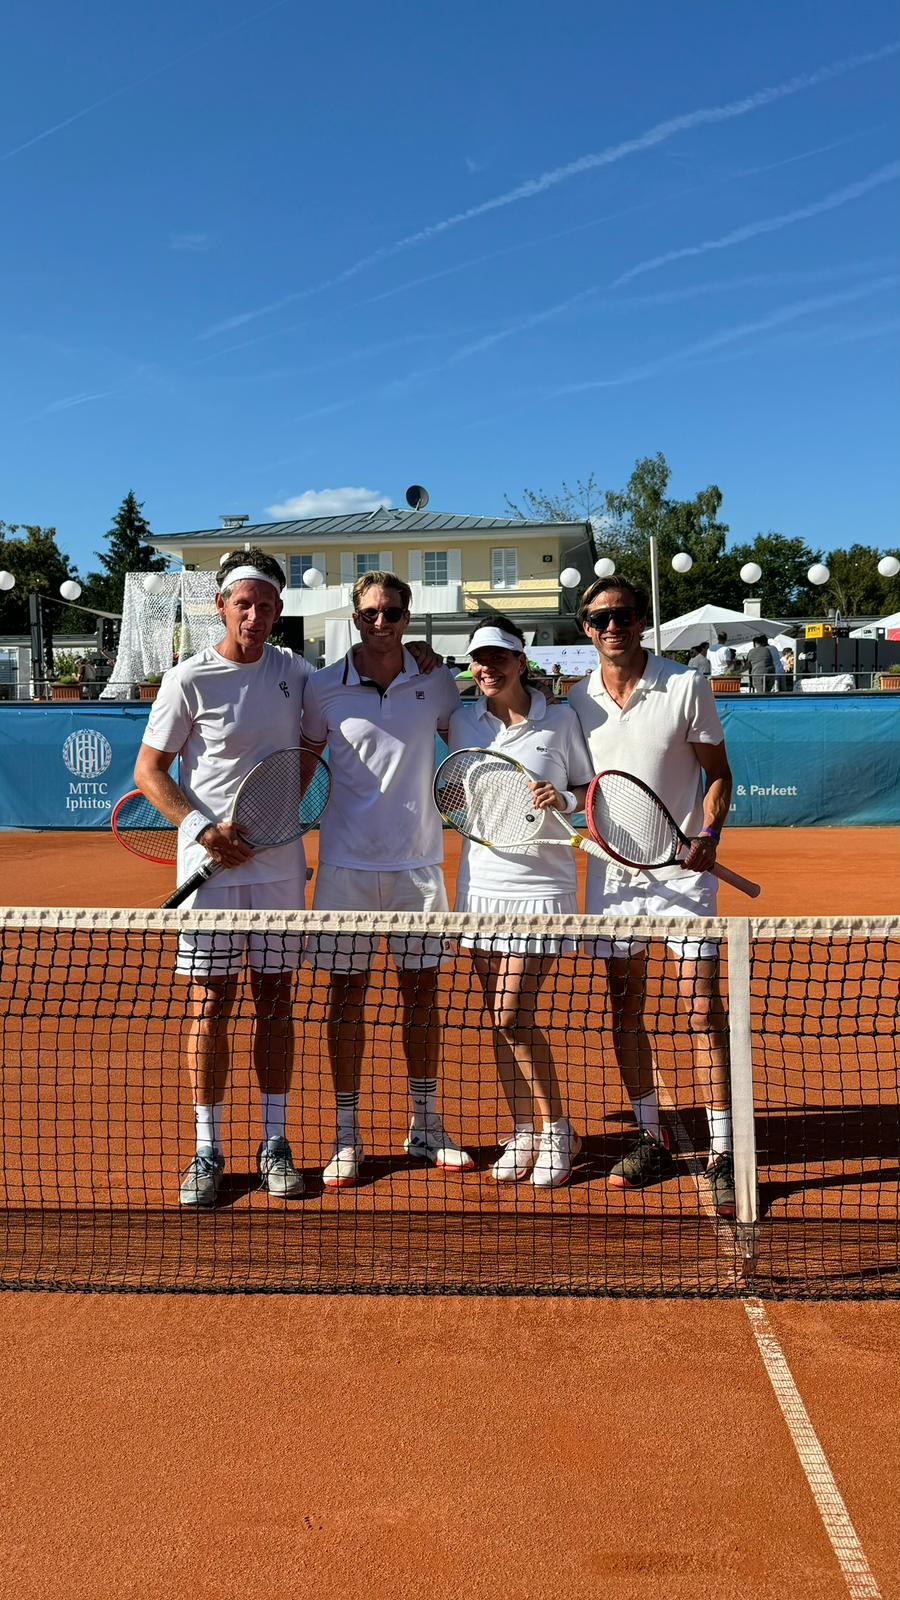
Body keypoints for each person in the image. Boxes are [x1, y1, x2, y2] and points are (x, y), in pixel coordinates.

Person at [134, 548, 312, 1207]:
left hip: (279, 870)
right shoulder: (188, 678)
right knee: (212, 1003)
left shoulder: (296, 672)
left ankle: (275, 1142)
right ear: (221, 606)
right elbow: (149, 771)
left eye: (265, 605)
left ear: (278, 610)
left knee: (276, 1000)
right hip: (210, 871)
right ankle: (207, 1149)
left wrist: (424, 660)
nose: (254, 616)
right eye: (243, 604)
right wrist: (202, 829)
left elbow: (353, 688)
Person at [567, 575, 736, 1217]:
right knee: (625, 1006)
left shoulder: (686, 685)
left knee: (702, 1009)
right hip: (613, 880)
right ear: (586, 628)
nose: (613, 626)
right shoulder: (575, 700)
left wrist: (708, 834)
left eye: (625, 614)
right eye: (600, 617)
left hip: (684, 877)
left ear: (642, 621)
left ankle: (723, 1150)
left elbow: (718, 774)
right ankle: (650, 1135)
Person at [301, 571, 469, 1187]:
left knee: (421, 995)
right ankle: (347, 1133)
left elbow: (470, 743)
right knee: (345, 998)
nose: (381, 622)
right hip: (345, 868)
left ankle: (425, 1122)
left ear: (407, 617)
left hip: (418, 868)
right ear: (354, 618)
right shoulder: (321, 687)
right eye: (370, 613)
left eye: (392, 613)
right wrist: (271, 827)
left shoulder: (437, 681)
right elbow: (301, 765)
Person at [448, 618, 594, 1187]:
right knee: (498, 1018)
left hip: (542, 888)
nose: (487, 668)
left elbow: (587, 788)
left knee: (512, 1013)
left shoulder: (560, 719)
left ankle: (559, 1129)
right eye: (479, 659)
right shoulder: (462, 720)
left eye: (499, 658)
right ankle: (524, 1130)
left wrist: (565, 798)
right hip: (481, 884)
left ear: (520, 662)